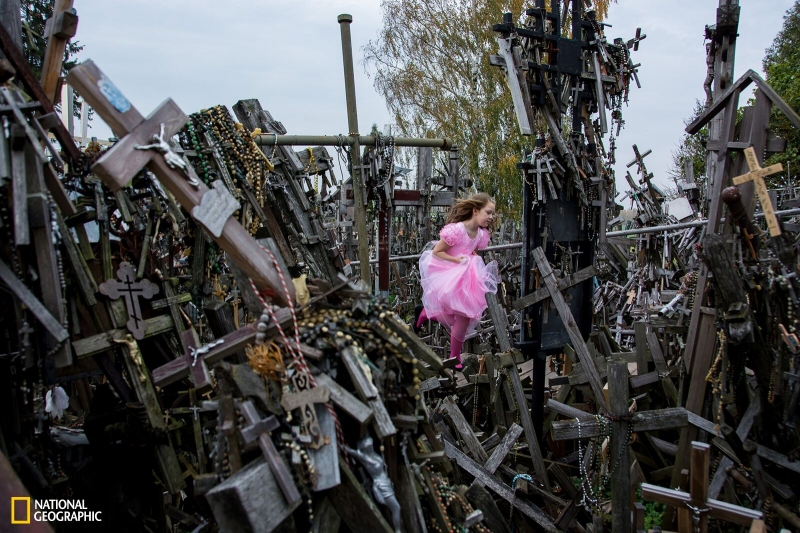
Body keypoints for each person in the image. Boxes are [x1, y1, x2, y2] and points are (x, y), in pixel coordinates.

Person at [415, 193, 499, 370]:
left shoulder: (481, 234)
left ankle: (453, 354)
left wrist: (473, 259)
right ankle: (427, 316)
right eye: (488, 212)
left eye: (493, 214)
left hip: (466, 276)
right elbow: (437, 252)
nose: (491, 217)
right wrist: (458, 260)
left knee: (464, 318)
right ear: (476, 211)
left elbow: (471, 249)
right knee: (459, 318)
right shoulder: (456, 230)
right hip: (447, 272)